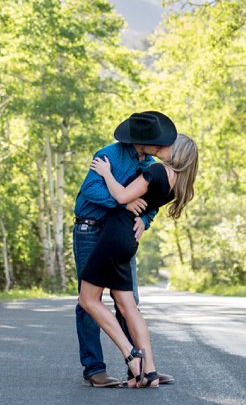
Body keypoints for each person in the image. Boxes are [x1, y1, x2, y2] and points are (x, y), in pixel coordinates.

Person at [78, 132, 199, 388]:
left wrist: (110, 177)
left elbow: (123, 198)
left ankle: (133, 357)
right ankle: (148, 371)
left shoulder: (154, 170)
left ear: (176, 152)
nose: (164, 144)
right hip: (120, 237)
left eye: (170, 144)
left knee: (88, 299)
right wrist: (131, 207)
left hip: (114, 236)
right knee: (127, 303)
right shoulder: (177, 182)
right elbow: (96, 191)